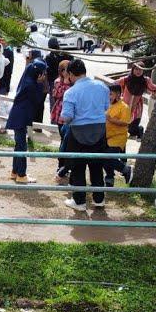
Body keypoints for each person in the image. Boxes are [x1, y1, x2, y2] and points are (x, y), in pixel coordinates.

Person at [60, 59, 110, 211]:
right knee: (97, 166)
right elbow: (106, 107)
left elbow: (67, 117)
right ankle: (99, 200)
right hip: (100, 130)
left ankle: (80, 202)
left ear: (70, 74)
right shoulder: (102, 87)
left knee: (78, 167)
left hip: (78, 132)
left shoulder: (71, 92)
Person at [6, 59, 47, 183]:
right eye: (43, 73)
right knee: (22, 146)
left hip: (19, 115)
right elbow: (38, 100)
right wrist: (40, 84)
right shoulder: (31, 85)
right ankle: (21, 174)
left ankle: (15, 171)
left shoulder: (27, 79)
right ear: (38, 74)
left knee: (19, 145)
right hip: (21, 117)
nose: (44, 76)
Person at [116, 61, 156, 139]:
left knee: (134, 124)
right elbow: (115, 84)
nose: (138, 71)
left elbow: (153, 87)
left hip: (137, 105)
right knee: (124, 123)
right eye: (136, 69)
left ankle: (139, 130)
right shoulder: (126, 79)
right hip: (125, 105)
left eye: (140, 69)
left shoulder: (145, 80)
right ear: (132, 70)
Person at [103, 84, 134, 187]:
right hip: (106, 137)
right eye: (107, 94)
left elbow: (125, 122)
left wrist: (110, 119)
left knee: (109, 157)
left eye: (110, 94)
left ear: (118, 94)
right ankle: (109, 178)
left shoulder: (124, 107)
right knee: (104, 158)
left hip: (118, 137)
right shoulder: (107, 105)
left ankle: (126, 169)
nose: (108, 96)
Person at [51, 59, 72, 184]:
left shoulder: (74, 82)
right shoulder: (58, 81)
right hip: (60, 112)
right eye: (64, 70)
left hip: (70, 115)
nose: (66, 72)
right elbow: (57, 95)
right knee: (63, 139)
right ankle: (61, 165)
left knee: (68, 140)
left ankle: (65, 166)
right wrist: (65, 83)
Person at [45, 37, 74, 114]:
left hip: (58, 83)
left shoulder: (50, 57)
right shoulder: (64, 54)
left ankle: (55, 120)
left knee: (55, 102)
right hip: (62, 82)